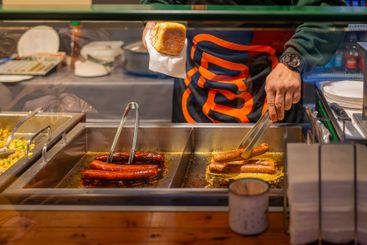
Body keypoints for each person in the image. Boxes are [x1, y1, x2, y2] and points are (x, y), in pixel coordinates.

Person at [141, 0, 346, 123]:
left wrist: (294, 60)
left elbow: (325, 12)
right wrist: (156, 16)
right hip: (198, 89)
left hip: (271, 84)